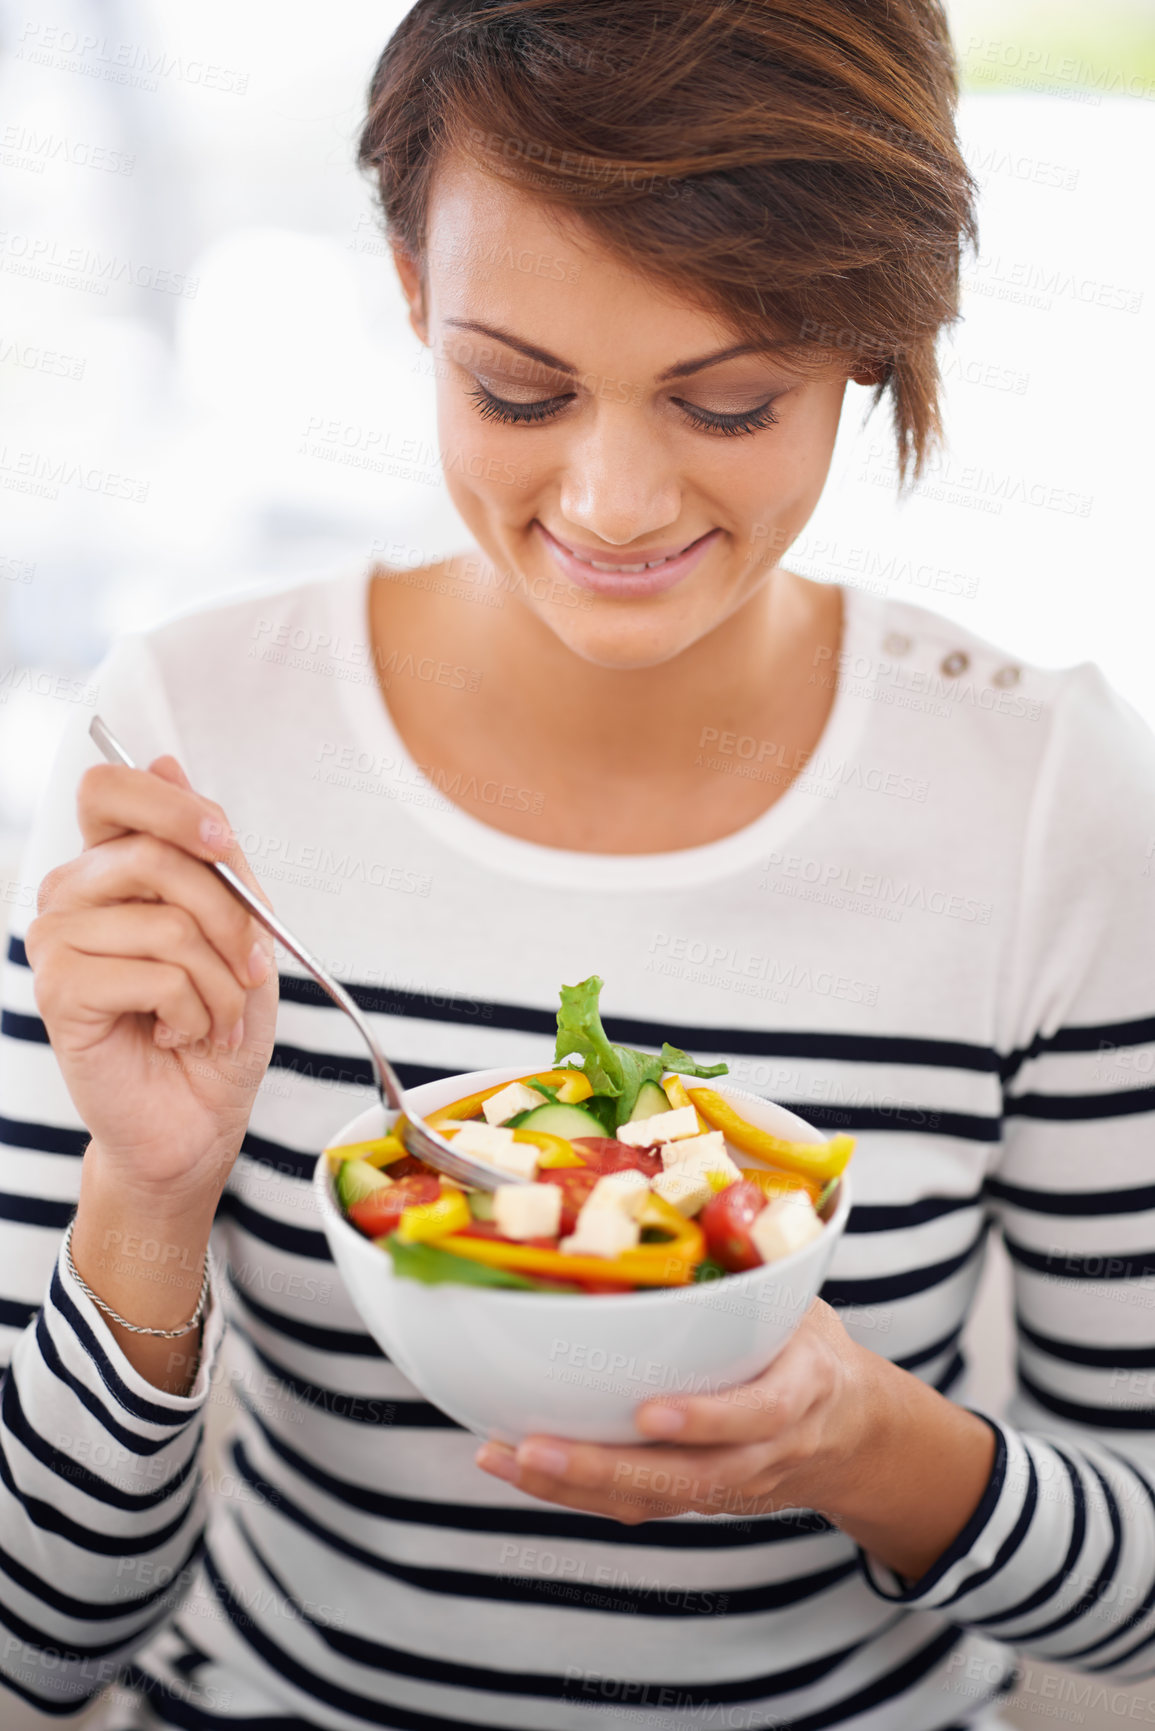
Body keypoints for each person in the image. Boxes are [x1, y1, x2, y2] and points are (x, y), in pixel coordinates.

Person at [1, 1, 1153, 1727]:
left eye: (733, 399)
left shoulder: (1048, 794)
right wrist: (147, 1199)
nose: (613, 502)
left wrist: (874, 1449)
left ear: (872, 337)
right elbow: (36, 1639)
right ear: (409, 286)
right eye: (515, 389)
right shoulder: (190, 745)